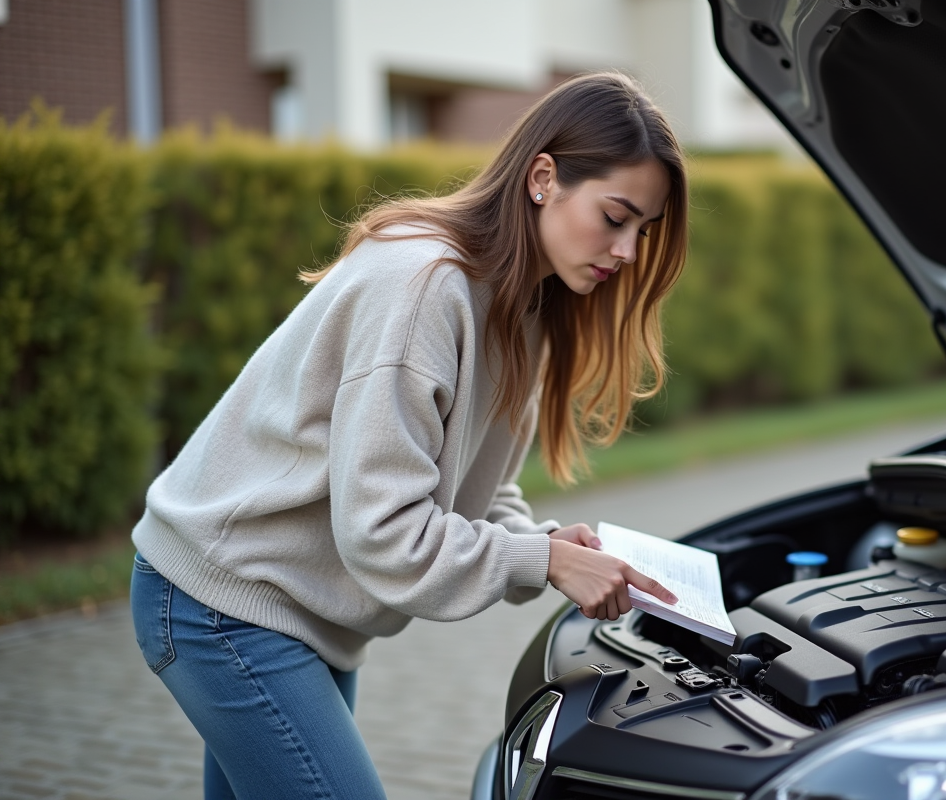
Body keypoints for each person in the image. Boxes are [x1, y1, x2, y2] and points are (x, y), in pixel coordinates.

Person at [128, 71, 689, 799]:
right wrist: (540, 561)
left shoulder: (521, 303)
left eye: (643, 229)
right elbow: (385, 531)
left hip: (298, 611)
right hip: (223, 601)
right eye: (616, 216)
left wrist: (553, 546)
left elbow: (468, 484)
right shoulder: (423, 286)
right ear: (543, 178)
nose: (628, 251)